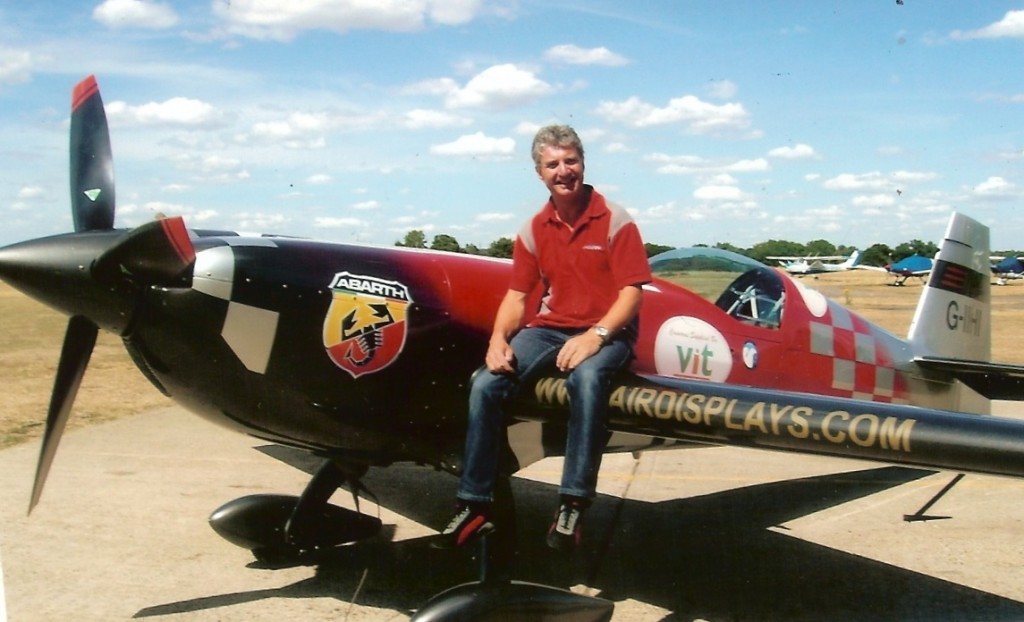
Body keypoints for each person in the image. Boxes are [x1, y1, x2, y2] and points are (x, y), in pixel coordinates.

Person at [438, 124, 652, 553]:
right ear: (540, 173)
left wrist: (596, 337)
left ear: (583, 163)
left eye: (570, 161)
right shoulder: (534, 228)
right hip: (551, 328)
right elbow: (518, 295)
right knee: (486, 382)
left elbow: (632, 292)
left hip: (609, 331)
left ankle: (572, 503)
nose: (563, 171)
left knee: (586, 381)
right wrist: (498, 339)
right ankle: (476, 504)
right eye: (553, 164)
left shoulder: (615, 219)